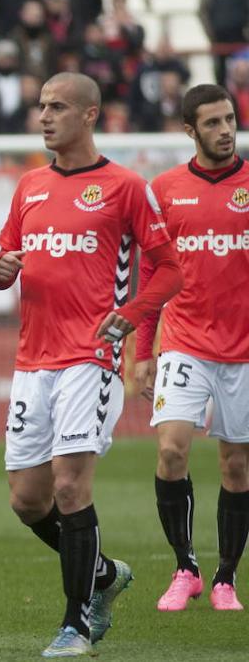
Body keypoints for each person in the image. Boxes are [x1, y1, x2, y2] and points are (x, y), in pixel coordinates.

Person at [0, 72, 184, 657]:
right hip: (32, 358)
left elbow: (168, 268)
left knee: (71, 487)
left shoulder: (124, 186)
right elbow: (2, 256)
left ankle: (76, 625)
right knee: (28, 499)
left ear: (90, 115)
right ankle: (102, 573)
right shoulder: (30, 185)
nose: (44, 117)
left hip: (89, 358)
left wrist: (132, 314)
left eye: (58, 107)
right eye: (40, 106)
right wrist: (1, 268)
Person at [133, 84, 249, 612]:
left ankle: (226, 576)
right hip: (184, 343)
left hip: (244, 351)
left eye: (229, 120)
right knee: (172, 450)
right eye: (213, 123)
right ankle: (186, 567)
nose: (225, 130)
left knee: (236, 467)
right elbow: (153, 274)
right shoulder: (165, 190)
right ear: (189, 130)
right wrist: (142, 350)